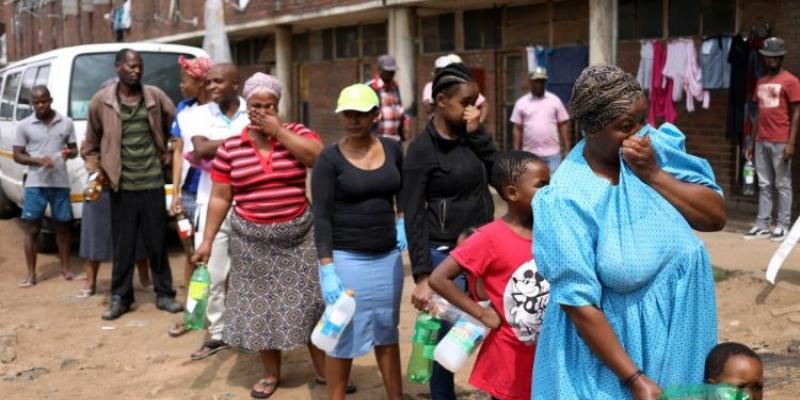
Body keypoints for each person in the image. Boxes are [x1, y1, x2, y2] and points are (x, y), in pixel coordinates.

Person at [531, 65, 726, 400]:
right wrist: (635, 378)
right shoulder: (567, 197)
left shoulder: (652, 151)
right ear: (592, 128)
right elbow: (578, 304)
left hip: (680, 335)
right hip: (613, 363)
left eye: (641, 119)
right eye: (626, 126)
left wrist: (654, 173)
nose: (639, 133)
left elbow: (714, 216)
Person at [192, 72, 326, 399]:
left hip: (298, 237)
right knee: (261, 308)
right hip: (251, 241)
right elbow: (221, 196)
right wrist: (207, 240)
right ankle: (270, 373)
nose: (263, 111)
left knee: (310, 304)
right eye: (256, 106)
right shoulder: (232, 148)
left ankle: (325, 370)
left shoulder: (296, 133)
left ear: (278, 107)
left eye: (270, 106)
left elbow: (318, 160)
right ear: (246, 106)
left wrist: (278, 131)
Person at [402, 63, 497, 400]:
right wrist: (423, 276)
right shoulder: (421, 151)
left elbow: (501, 177)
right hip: (446, 258)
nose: (472, 109)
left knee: (496, 327)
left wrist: (480, 135)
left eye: (476, 102)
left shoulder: (474, 138)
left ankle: (497, 390)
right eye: (465, 102)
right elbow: (412, 214)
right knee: (444, 337)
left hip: (486, 252)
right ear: (441, 101)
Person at [429, 151, 550, 400]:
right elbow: (439, 278)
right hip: (507, 359)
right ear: (512, 192)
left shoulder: (550, 232)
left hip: (546, 356)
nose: (549, 192)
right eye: (542, 186)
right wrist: (482, 313)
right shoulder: (489, 237)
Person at [312, 83, 406, 400]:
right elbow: (321, 216)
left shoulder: (393, 149)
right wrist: (327, 267)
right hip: (346, 257)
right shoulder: (329, 159)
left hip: (387, 257)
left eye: (360, 114)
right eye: (347, 114)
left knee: (386, 328)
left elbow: (403, 190)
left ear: (375, 115)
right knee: (343, 330)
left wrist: (402, 220)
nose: (352, 120)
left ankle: (396, 396)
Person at [81, 48, 182, 320]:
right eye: (130, 66)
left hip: (151, 182)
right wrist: (96, 171)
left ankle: (164, 294)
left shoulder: (155, 97)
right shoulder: (100, 102)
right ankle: (120, 298)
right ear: (117, 68)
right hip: (121, 186)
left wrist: (169, 152)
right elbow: (89, 145)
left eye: (139, 66)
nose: (136, 71)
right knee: (123, 246)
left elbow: (179, 126)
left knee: (157, 242)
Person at [179, 63, 249, 357]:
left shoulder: (253, 109)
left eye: (218, 82)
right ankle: (218, 333)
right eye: (208, 83)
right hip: (212, 201)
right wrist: (247, 141)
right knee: (213, 271)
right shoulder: (194, 114)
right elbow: (201, 149)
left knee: (249, 273)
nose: (211, 87)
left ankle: (248, 328)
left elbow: (210, 148)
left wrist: (216, 145)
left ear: (236, 84)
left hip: (251, 202)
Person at [13, 85, 78, 287]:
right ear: (32, 103)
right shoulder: (24, 125)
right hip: (35, 184)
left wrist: (70, 153)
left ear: (51, 100)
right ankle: (31, 274)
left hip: (60, 183)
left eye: (44, 101)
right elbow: (17, 155)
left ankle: (66, 269)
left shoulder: (66, 123)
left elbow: (74, 150)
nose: (40, 105)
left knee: (62, 227)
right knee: (32, 229)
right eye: (36, 102)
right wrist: (39, 161)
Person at [166, 55, 212, 337]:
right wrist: (176, 193)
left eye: (185, 80)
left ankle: (219, 317)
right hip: (190, 195)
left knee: (217, 257)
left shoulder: (221, 110)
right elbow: (178, 153)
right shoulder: (183, 110)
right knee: (191, 257)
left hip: (215, 194)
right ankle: (192, 313)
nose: (181, 85)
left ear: (201, 81)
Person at [743, 37, 800, 242]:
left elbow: (796, 113)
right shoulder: (761, 82)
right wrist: (751, 140)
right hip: (761, 140)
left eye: (776, 57)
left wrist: (792, 142)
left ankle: (783, 225)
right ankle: (762, 224)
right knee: (764, 183)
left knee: (782, 184)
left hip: (781, 140)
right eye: (768, 57)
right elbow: (757, 114)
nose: (772, 61)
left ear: (782, 57)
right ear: (763, 59)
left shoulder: (791, 81)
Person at [511, 67, 571, 173]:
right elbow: (517, 128)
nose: (539, 84)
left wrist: (566, 147)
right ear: (530, 82)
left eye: (542, 81)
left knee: (553, 185)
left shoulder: (555, 100)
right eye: (536, 81)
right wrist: (516, 151)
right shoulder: (521, 103)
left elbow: (563, 124)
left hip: (553, 154)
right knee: (532, 185)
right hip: (530, 154)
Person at [422, 54, 489, 124]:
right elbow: (427, 108)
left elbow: (484, 105)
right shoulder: (430, 86)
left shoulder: (464, 88)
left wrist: (478, 124)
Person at [366, 54, 407, 141]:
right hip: (377, 140)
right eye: (388, 71)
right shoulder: (371, 87)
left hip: (395, 140)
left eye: (393, 71)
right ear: (380, 70)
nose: (392, 74)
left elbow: (399, 108)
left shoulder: (395, 87)